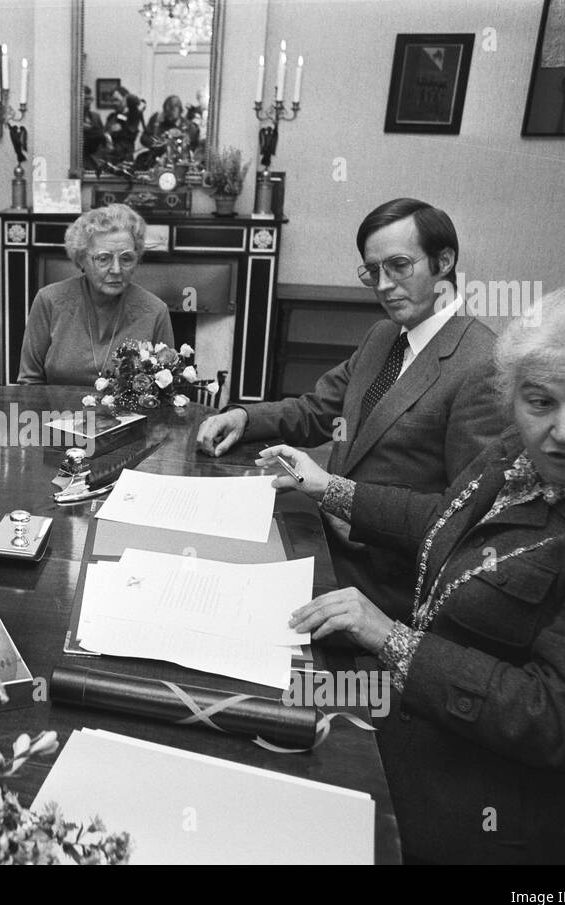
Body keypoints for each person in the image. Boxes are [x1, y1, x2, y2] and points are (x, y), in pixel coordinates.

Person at [265, 286, 565, 865]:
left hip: (512, 808)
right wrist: (329, 488)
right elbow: (446, 516)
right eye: (539, 401)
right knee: (267, 697)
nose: (563, 430)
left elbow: (557, 717)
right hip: (424, 707)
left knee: (294, 801)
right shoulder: (521, 446)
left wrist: (388, 638)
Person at [196, 197, 502, 617]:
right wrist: (244, 416)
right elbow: (319, 410)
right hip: (323, 535)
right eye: (373, 272)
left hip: (382, 583)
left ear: (444, 261)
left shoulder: (483, 364)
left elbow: (462, 516)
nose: (384, 285)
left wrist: (335, 492)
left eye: (399, 266)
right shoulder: (384, 335)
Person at [18, 203, 173, 386]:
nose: (116, 269)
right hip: (57, 413)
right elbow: (29, 382)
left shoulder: (155, 311)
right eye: (103, 258)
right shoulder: (49, 301)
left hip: (130, 415)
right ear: (81, 259)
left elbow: (166, 389)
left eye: (126, 258)